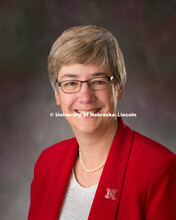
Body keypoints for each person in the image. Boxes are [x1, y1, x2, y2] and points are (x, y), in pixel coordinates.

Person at [28, 25, 176, 220]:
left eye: (98, 81)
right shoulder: (47, 163)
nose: (85, 97)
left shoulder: (159, 169)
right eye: (71, 83)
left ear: (119, 88)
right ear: (57, 95)